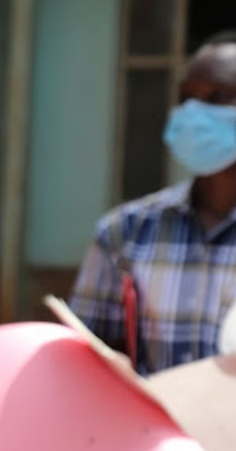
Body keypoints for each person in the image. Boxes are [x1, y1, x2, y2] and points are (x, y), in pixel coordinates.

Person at [70, 30, 236, 375]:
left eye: (217, 97)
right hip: (152, 429)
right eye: (185, 98)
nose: (193, 112)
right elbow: (87, 362)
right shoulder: (125, 232)